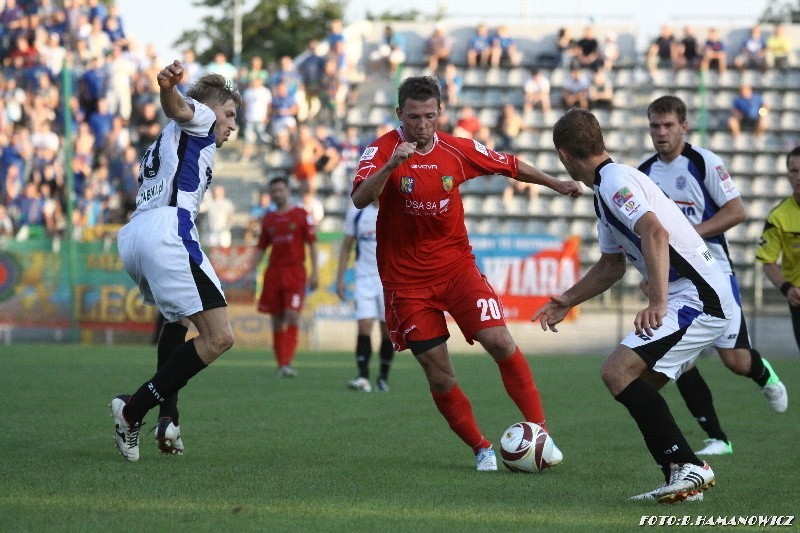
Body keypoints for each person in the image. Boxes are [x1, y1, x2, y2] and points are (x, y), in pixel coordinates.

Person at [351, 76, 582, 471]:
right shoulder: (381, 150)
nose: (422, 125)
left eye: (429, 116)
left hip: (457, 270)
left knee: (501, 342)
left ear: (440, 112)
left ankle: (539, 432)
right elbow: (359, 198)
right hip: (406, 283)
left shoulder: (457, 150)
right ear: (398, 115)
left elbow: (509, 165)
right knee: (439, 374)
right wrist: (392, 165)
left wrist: (555, 183)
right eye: (413, 117)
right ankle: (481, 448)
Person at [536, 108, 735, 503]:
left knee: (616, 371)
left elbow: (655, 231)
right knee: (638, 384)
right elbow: (612, 264)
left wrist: (658, 301)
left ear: (563, 154)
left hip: (700, 296)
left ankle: (690, 467)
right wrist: (568, 299)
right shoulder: (608, 186)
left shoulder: (614, 183)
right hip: (695, 293)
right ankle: (682, 476)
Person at [639, 95, 788, 457]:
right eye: (655, 126)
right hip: (676, 281)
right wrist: (648, 274)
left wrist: (690, 234)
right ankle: (718, 438)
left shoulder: (703, 162)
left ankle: (762, 372)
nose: (661, 133)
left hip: (713, 270)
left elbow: (737, 211)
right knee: (680, 358)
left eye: (668, 125)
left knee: (735, 361)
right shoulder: (643, 173)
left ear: (683, 126)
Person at [112, 61, 241, 462]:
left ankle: (169, 415)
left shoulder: (167, 142)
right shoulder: (198, 118)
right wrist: (168, 88)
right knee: (220, 337)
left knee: (179, 322)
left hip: (137, 235)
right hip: (169, 229)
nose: (233, 125)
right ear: (211, 107)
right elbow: (181, 107)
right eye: (231, 114)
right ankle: (132, 410)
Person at [255, 176, 319, 378]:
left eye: (281, 190)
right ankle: (281, 363)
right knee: (276, 319)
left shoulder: (301, 215)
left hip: (295, 272)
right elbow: (261, 247)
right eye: (274, 191)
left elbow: (313, 244)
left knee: (292, 314)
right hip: (274, 272)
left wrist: (315, 271)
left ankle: (287, 362)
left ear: (288, 191)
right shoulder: (269, 218)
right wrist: (250, 271)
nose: (277, 194)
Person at [335, 198, 395, 392]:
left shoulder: (395, 209)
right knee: (364, 325)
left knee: (387, 330)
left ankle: (383, 378)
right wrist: (340, 278)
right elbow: (346, 246)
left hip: (388, 279)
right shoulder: (357, 212)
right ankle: (362, 377)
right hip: (363, 277)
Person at [757, 146, 800, 353]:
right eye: (794, 171)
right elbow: (768, 261)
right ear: (787, 175)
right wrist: (787, 289)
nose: (799, 177)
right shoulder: (778, 217)